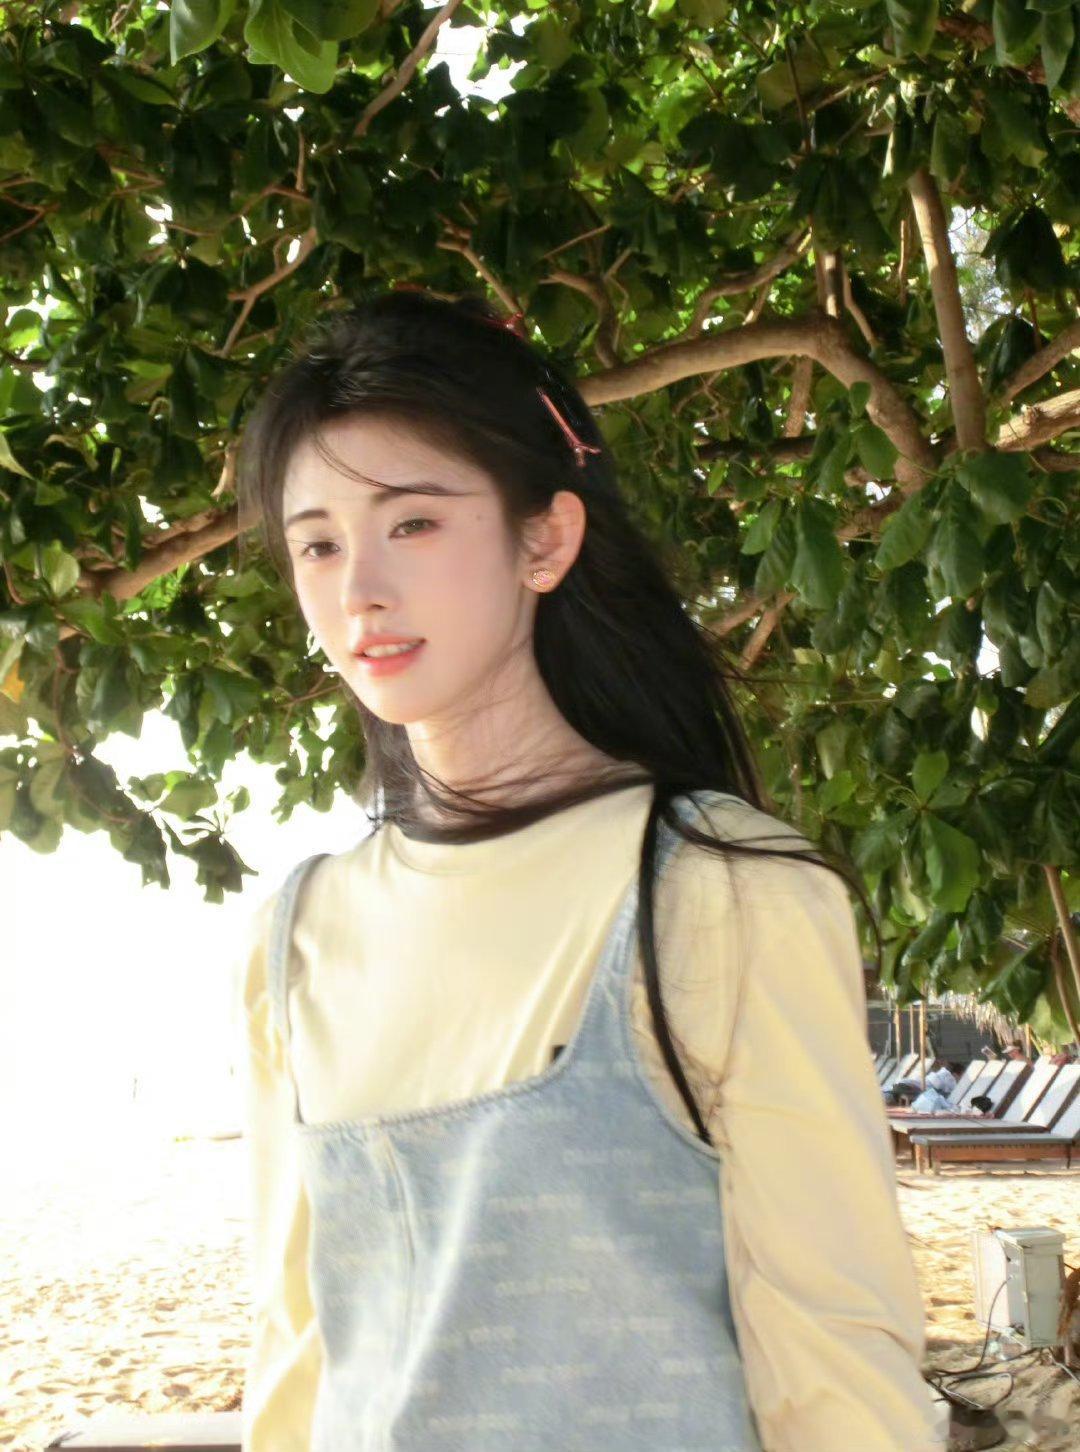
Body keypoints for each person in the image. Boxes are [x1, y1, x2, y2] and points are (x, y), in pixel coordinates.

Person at [231, 289, 946, 1452]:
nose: (358, 590)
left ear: (546, 540)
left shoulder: (723, 895)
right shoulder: (297, 938)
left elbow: (838, 1369)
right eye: (318, 543)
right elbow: (297, 1359)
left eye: (413, 524)